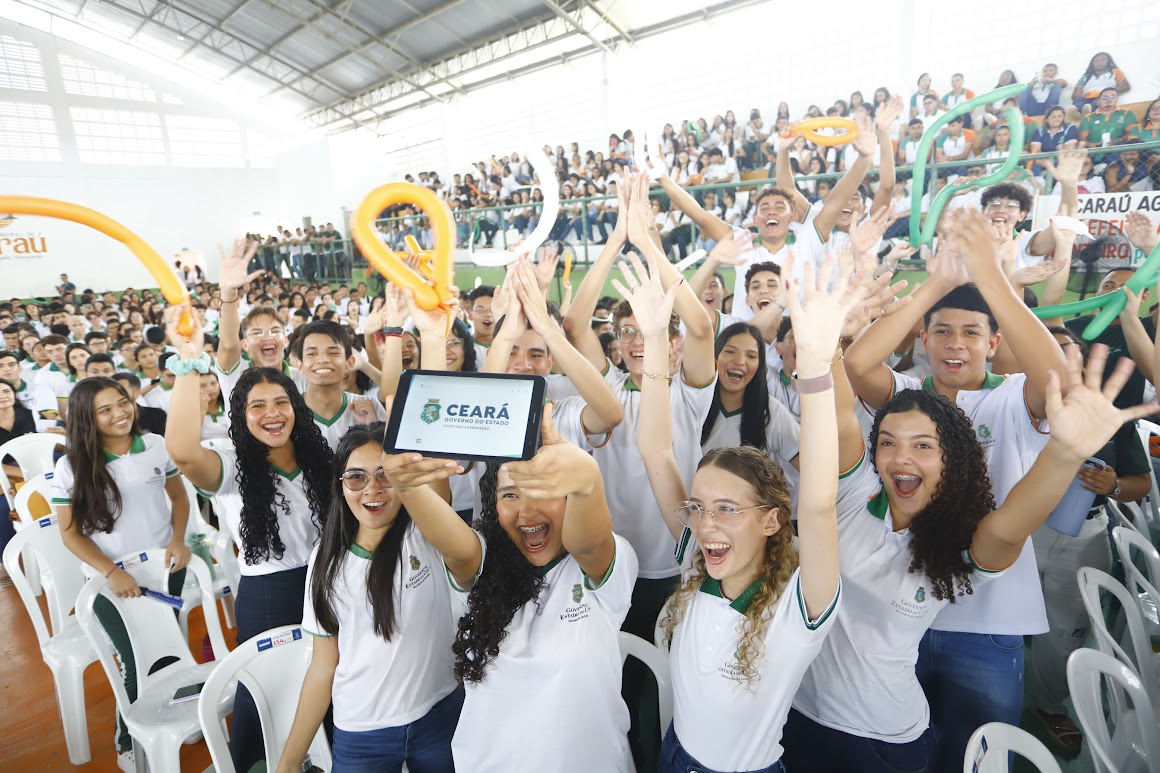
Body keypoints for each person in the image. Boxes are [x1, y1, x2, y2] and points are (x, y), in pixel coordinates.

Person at [784, 320, 1156, 771]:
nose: (901, 457)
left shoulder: (962, 545)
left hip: (879, 742)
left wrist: (1065, 452)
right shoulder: (852, 493)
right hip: (793, 717)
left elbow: (1012, 526)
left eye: (923, 445)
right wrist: (821, 348)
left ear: (952, 459)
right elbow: (839, 412)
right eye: (887, 443)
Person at [842, 210, 1071, 770]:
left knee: (980, 755)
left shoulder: (1013, 397)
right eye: (941, 330)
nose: (955, 343)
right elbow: (858, 362)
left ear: (994, 343)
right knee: (908, 748)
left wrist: (994, 278)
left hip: (988, 621)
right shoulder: (911, 396)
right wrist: (936, 286)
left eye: (971, 332)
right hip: (901, 615)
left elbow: (1055, 381)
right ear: (922, 337)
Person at [631, 248, 847, 773]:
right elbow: (656, 451)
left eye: (727, 508)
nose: (706, 525)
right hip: (673, 756)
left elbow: (818, 503)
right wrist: (658, 340)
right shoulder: (696, 561)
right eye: (699, 508)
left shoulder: (799, 604)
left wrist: (817, 369)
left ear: (772, 519)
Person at [382, 399, 638, 771]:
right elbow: (455, 547)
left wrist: (586, 477)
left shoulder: (603, 564)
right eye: (510, 495)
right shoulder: (486, 560)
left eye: (545, 491)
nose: (527, 511)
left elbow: (589, 541)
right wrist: (409, 488)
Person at [164, 309, 334, 773]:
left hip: (328, 586)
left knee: (331, 686)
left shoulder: (320, 456)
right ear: (239, 415)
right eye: (256, 406)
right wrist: (187, 361)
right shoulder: (232, 466)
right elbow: (181, 450)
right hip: (271, 594)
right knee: (266, 695)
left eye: (281, 402)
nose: (272, 414)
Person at [275, 424, 461, 773]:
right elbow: (323, 665)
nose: (372, 490)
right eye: (356, 477)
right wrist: (287, 763)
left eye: (386, 475)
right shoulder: (325, 559)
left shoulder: (427, 532)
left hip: (439, 714)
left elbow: (433, 466)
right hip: (362, 729)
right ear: (340, 486)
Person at [52, 377, 191, 773]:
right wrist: (112, 572)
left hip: (165, 569)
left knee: (170, 642)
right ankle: (128, 739)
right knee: (134, 658)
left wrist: (179, 541)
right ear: (87, 420)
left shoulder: (156, 446)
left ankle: (175, 709)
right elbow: (70, 535)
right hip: (109, 582)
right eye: (105, 410)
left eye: (123, 402)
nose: (120, 414)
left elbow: (178, 498)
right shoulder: (71, 466)